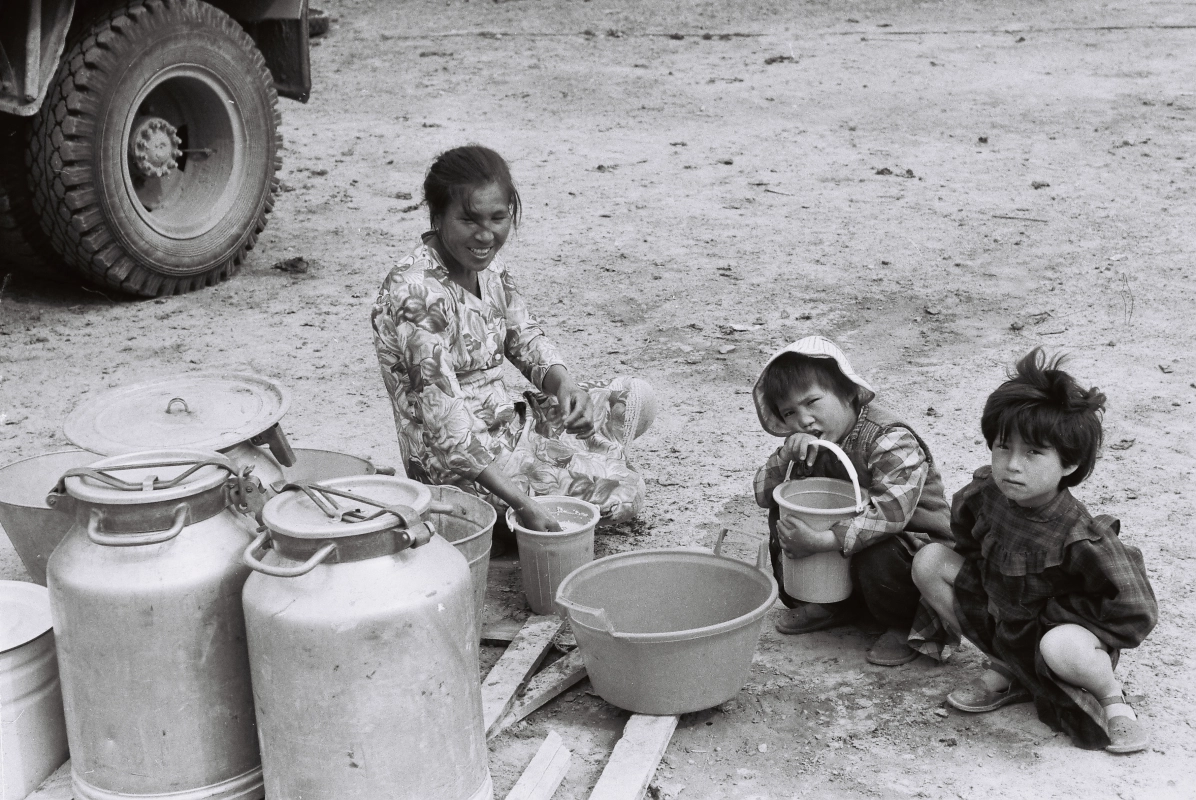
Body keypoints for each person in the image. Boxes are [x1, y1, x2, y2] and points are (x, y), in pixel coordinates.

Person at [371, 145, 654, 533]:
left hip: (506, 423)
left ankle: (575, 457)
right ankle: (510, 510)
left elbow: (524, 337)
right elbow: (449, 434)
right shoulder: (416, 295)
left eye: (498, 218)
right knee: (623, 493)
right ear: (437, 217)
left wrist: (565, 385)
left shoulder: (485, 266)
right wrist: (522, 505)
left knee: (633, 396)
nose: (486, 234)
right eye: (468, 220)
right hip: (461, 467)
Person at [910, 349, 1157, 754]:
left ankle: (1113, 701)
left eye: (1033, 453)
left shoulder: (1082, 536)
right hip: (1004, 619)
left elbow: (1136, 609)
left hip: (1061, 638)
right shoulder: (985, 494)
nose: (1012, 465)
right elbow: (968, 542)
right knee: (930, 560)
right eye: (1003, 447)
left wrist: (1059, 619)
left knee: (1060, 646)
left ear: (1069, 463)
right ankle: (1007, 669)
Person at [753, 335, 952, 666]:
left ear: (847, 392)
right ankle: (836, 604)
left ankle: (903, 624)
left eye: (812, 402)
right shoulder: (807, 442)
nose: (802, 420)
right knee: (781, 507)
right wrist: (784, 454)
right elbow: (761, 493)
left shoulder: (889, 438)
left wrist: (821, 540)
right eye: (789, 412)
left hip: (910, 548)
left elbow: (891, 513)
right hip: (842, 544)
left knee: (880, 554)